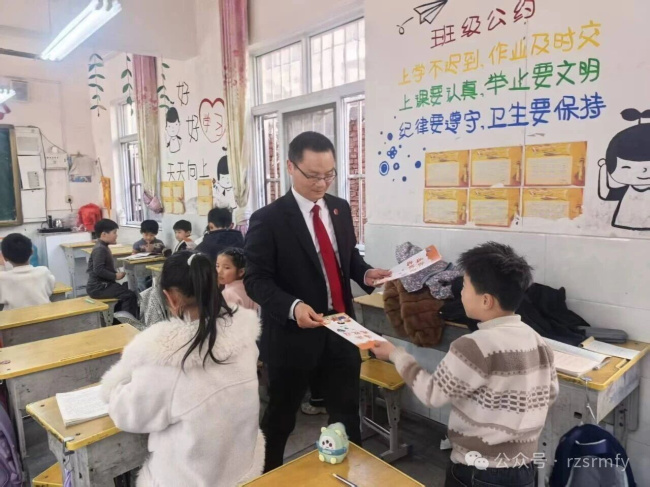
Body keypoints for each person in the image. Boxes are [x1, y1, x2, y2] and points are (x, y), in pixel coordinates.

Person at [244, 131, 391, 471]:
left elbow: (346, 257)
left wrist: (366, 273)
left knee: (346, 415)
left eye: (329, 174)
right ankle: (267, 475)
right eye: (313, 175)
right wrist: (292, 307)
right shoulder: (269, 219)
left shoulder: (339, 208)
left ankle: (348, 475)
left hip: (341, 328)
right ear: (290, 167)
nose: (322, 183)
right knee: (280, 418)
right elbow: (255, 280)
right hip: (292, 337)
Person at [373, 242, 558, 487]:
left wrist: (396, 354)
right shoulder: (538, 341)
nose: (460, 293)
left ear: (486, 300)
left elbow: (432, 394)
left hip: (477, 470)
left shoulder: (472, 346)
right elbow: (549, 394)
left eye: (465, 287)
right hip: (523, 469)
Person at [100, 251, 264, 486]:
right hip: (242, 468)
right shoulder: (245, 337)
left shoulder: (167, 358)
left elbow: (128, 415)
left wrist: (120, 381)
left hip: (191, 478)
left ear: (171, 298)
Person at [87, 219, 139, 318]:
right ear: (104, 234)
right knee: (129, 295)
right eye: (114, 232)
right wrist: (115, 276)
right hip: (98, 287)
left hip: (103, 285)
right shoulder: (100, 249)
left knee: (126, 286)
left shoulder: (103, 247)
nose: (116, 235)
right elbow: (98, 270)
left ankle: (118, 318)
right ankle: (128, 322)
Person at [0, 233, 55, 310]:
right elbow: (51, 289)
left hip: (15, 317)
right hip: (44, 314)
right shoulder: (43, 271)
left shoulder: (2, 278)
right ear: (32, 252)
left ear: (5, 258)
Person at [217, 247, 258, 312]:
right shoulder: (251, 288)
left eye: (226, 268)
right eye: (217, 266)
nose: (219, 271)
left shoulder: (228, 293)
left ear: (241, 272)